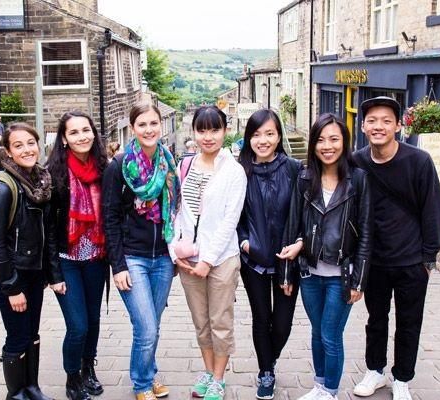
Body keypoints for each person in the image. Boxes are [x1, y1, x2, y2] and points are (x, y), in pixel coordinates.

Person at [351, 96, 440, 400]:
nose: (379, 126)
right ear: (364, 126)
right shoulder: (357, 162)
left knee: (409, 322)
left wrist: (428, 258)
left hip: (411, 260)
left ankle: (402, 378)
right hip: (375, 260)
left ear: (397, 126)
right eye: (372, 120)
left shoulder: (418, 161)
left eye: (386, 120)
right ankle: (375, 371)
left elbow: (434, 209)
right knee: (375, 320)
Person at [278, 114, 372, 400]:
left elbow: (366, 232)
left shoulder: (358, 179)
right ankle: (320, 386)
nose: (327, 146)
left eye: (334, 139)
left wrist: (360, 281)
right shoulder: (306, 178)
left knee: (331, 335)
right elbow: (293, 225)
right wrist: (286, 272)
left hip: (340, 276)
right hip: (309, 274)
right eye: (320, 140)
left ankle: (330, 392)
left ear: (345, 141)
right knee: (317, 333)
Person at [103, 103, 180, 400]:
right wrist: (118, 265)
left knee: (153, 324)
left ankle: (149, 372)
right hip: (132, 258)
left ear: (160, 125)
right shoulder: (119, 166)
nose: (149, 130)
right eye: (142, 125)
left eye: (153, 123)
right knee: (146, 326)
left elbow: (175, 210)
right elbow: (109, 218)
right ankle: (142, 384)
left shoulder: (168, 163)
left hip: (162, 257)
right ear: (133, 129)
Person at [170, 105, 247, 400]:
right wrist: (174, 248)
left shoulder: (234, 171)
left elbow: (230, 221)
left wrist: (208, 260)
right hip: (188, 259)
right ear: (194, 133)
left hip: (221, 260)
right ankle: (206, 370)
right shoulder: (185, 166)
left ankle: (218, 378)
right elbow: (176, 212)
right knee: (200, 321)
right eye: (202, 130)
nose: (208, 136)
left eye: (214, 129)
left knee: (220, 321)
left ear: (225, 131)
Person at [235, 109, 301, 400]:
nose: (263, 140)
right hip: (254, 261)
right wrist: (244, 242)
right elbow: (231, 216)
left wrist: (299, 242)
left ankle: (269, 357)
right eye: (256, 134)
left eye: (269, 133)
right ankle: (266, 372)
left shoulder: (295, 169)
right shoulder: (240, 172)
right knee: (261, 317)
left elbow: (304, 214)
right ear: (249, 137)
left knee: (283, 323)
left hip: (288, 259)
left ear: (278, 136)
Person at [0, 122, 56, 400]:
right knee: (17, 336)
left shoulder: (40, 181)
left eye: (30, 142)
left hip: (33, 275)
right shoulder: (2, 189)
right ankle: (16, 394)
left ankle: (32, 388)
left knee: (32, 333)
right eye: (18, 145)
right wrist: (12, 287)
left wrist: (49, 274)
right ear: (7, 151)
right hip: (11, 277)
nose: (27, 149)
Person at [46, 112, 109, 400]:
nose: (82, 136)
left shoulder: (105, 169)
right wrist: (54, 274)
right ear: (64, 139)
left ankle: (88, 369)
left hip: (96, 258)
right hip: (67, 260)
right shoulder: (55, 174)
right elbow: (47, 227)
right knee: (78, 326)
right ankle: (72, 378)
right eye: (74, 132)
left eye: (86, 130)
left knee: (93, 321)